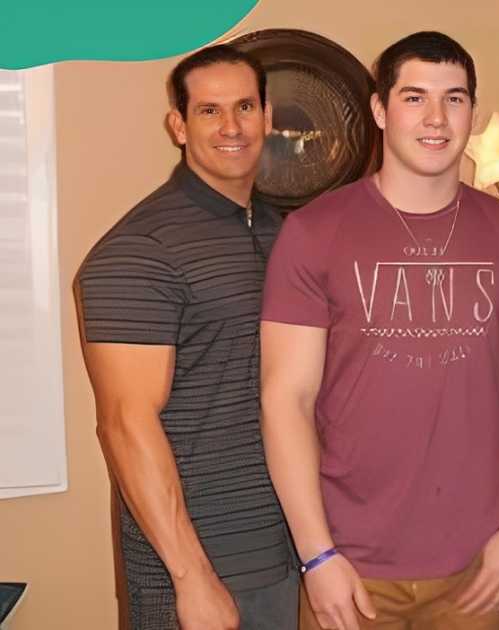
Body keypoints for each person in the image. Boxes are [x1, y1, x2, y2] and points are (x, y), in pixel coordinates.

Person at [258, 31, 499, 630]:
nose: (436, 118)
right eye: (414, 97)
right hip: (350, 567)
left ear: (472, 112)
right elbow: (285, 399)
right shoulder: (314, 233)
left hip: (477, 570)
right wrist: (317, 554)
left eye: (454, 99)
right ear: (380, 109)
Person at [76, 45, 297, 630]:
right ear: (178, 125)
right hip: (196, 571)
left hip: (286, 554)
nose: (231, 127)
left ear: (267, 116)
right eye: (209, 111)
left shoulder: (282, 233)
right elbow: (125, 424)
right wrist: (191, 577)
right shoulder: (137, 250)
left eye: (244, 107)